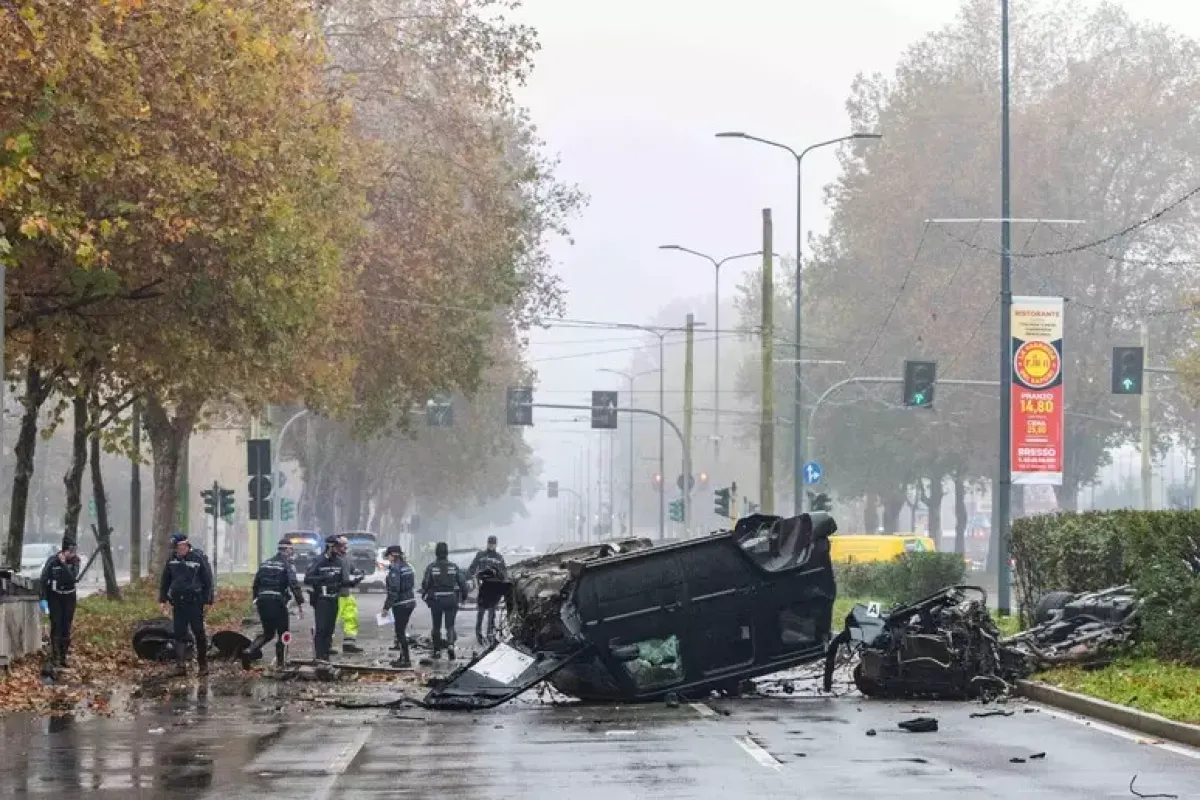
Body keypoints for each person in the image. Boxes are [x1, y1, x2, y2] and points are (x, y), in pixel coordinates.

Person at [241, 540, 305, 669]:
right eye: (291, 550)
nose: (292, 552)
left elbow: (256, 583)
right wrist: (300, 602)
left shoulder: (265, 563)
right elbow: (294, 584)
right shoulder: (287, 565)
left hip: (263, 601)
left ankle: (249, 651)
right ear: (287, 550)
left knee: (268, 633)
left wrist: (256, 599)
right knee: (283, 633)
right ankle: (280, 663)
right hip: (277, 601)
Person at [158, 533, 214, 677]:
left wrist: (208, 600)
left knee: (198, 632)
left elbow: (208, 580)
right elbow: (165, 580)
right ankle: (180, 665)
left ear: (185, 545)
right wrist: (162, 599)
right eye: (175, 548)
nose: (177, 551)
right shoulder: (172, 559)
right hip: (178, 602)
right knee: (179, 633)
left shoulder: (198, 558)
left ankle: (203, 665)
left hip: (195, 602)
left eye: (179, 547)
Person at [304, 535, 359, 662]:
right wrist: (323, 578)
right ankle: (319, 657)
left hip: (334, 599)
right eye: (337, 546)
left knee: (329, 629)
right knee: (321, 629)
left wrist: (353, 582)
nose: (340, 549)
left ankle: (325, 657)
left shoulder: (339, 561)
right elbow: (308, 579)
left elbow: (341, 582)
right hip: (321, 599)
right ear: (330, 546)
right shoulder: (319, 560)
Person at [421, 541, 468, 660]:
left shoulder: (431, 567)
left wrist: (425, 592)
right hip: (451, 598)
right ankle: (451, 645)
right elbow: (462, 582)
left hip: (437, 599)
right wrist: (464, 597)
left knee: (436, 626)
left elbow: (426, 583)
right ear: (447, 553)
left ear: (436, 553)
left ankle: (436, 650)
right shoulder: (453, 566)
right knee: (450, 625)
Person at [39, 537, 80, 668]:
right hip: (55, 597)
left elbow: (72, 578)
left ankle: (63, 656)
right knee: (56, 624)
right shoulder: (52, 561)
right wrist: (43, 598)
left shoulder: (75, 561)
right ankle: (55, 656)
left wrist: (64, 564)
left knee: (66, 626)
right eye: (71, 551)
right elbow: (43, 579)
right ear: (64, 550)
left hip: (69, 597)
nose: (73, 554)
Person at [468, 535, 507, 645]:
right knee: (481, 611)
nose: (491, 545)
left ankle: (490, 632)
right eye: (490, 543)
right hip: (483, 586)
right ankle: (478, 631)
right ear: (487, 543)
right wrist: (471, 578)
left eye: (493, 543)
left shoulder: (499, 558)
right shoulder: (481, 555)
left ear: (496, 544)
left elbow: (504, 572)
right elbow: (472, 568)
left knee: (492, 612)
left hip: (495, 587)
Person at [382, 546, 416, 667]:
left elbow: (394, 590)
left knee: (399, 632)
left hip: (401, 604)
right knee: (402, 631)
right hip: (410, 601)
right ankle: (402, 658)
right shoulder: (408, 566)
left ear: (393, 555)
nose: (388, 558)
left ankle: (406, 660)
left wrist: (386, 607)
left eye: (389, 556)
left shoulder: (395, 569)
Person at [334, 536, 364, 654]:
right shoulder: (332, 559)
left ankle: (349, 643)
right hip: (336, 595)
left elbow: (352, 570)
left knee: (352, 618)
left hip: (346, 594)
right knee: (331, 621)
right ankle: (326, 645)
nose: (345, 547)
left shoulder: (346, 557)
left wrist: (359, 573)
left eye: (346, 544)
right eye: (343, 545)